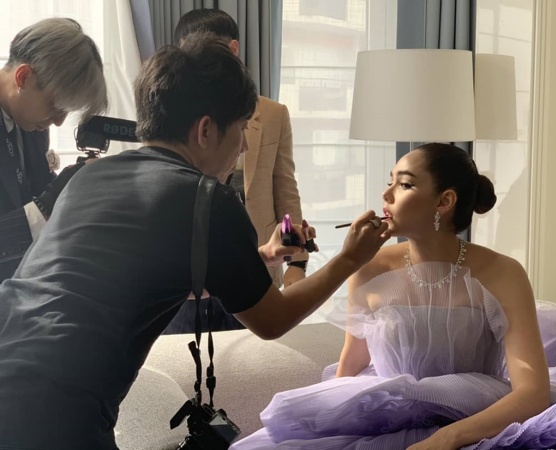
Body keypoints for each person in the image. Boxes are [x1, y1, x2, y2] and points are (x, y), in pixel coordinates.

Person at [0, 31, 391, 450]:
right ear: (205, 130)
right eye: (241, 129)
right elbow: (272, 321)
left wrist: (262, 257)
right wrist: (350, 259)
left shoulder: (91, 176)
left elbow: (148, 279)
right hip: (56, 408)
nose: (243, 146)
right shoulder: (207, 199)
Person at [231, 143, 556, 450]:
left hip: (480, 425)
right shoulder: (368, 266)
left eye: (404, 184)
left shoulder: (503, 272)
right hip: (382, 423)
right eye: (389, 182)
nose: (386, 194)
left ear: (444, 201)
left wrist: (446, 439)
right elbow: (352, 363)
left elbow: (532, 393)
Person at [163, 9, 307, 332]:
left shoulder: (273, 114)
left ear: (233, 49)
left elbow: (285, 191)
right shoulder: (175, 116)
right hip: (187, 275)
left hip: (255, 264)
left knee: (254, 357)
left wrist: (296, 261)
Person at [0, 17, 108, 280]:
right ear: (23, 77)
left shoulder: (32, 126)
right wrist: (49, 202)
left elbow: (32, 194)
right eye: (55, 106)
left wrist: (73, 188)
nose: (59, 121)